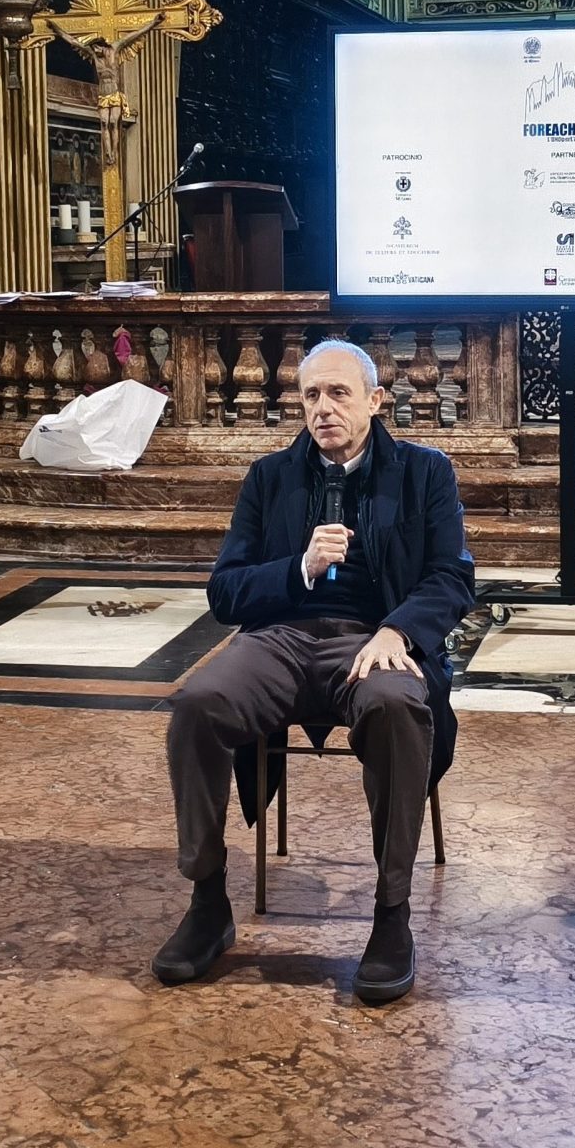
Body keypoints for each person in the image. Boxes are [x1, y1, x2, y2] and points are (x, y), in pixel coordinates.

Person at [151, 340, 474, 1004]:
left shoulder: (424, 472)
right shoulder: (270, 478)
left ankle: (391, 919)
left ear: (375, 401)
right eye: (310, 396)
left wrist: (396, 630)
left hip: (374, 640)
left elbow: (452, 578)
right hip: (281, 639)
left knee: (394, 706)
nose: (323, 409)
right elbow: (226, 592)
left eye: (339, 394)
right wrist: (299, 568)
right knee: (197, 704)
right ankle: (209, 902)